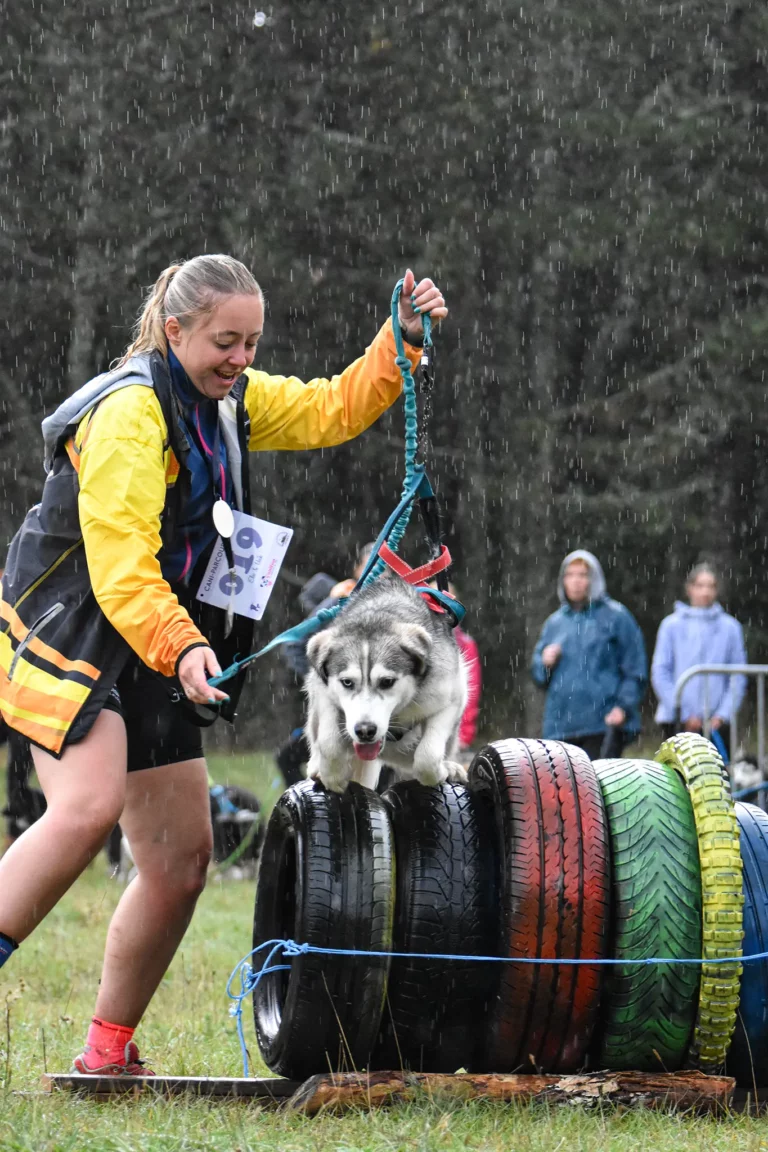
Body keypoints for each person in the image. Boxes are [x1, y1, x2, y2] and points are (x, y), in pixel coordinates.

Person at [0, 254, 446, 1076]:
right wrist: (185, 645)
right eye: (224, 342)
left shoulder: (228, 401)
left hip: (159, 640)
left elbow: (329, 408)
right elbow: (123, 565)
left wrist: (400, 344)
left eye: (251, 342)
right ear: (175, 331)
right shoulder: (132, 414)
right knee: (87, 806)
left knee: (179, 861)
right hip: (74, 626)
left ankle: (107, 1056)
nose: (241, 359)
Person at [530, 550, 647, 759]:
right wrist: (545, 663)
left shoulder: (617, 617)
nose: (576, 581)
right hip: (560, 727)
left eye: (583, 575)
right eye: (570, 574)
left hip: (602, 724)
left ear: (594, 579)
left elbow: (635, 668)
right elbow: (539, 675)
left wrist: (623, 707)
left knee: (597, 789)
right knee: (563, 791)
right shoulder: (555, 623)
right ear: (563, 580)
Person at [651, 562, 747, 757]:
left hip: (716, 724)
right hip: (676, 720)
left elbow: (738, 676)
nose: (705, 591)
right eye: (700, 585)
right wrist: (684, 712)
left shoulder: (730, 628)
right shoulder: (671, 625)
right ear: (690, 589)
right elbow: (661, 672)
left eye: (711, 586)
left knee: (716, 780)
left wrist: (722, 714)